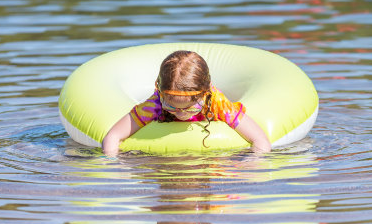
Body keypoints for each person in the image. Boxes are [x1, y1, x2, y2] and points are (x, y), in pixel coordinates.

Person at [102, 50, 271, 156]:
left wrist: (251, 167)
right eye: (171, 107)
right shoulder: (155, 105)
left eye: (191, 108)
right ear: (160, 93)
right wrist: (112, 165)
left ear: (205, 93)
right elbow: (114, 136)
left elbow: (260, 140)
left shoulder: (216, 103)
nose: (181, 114)